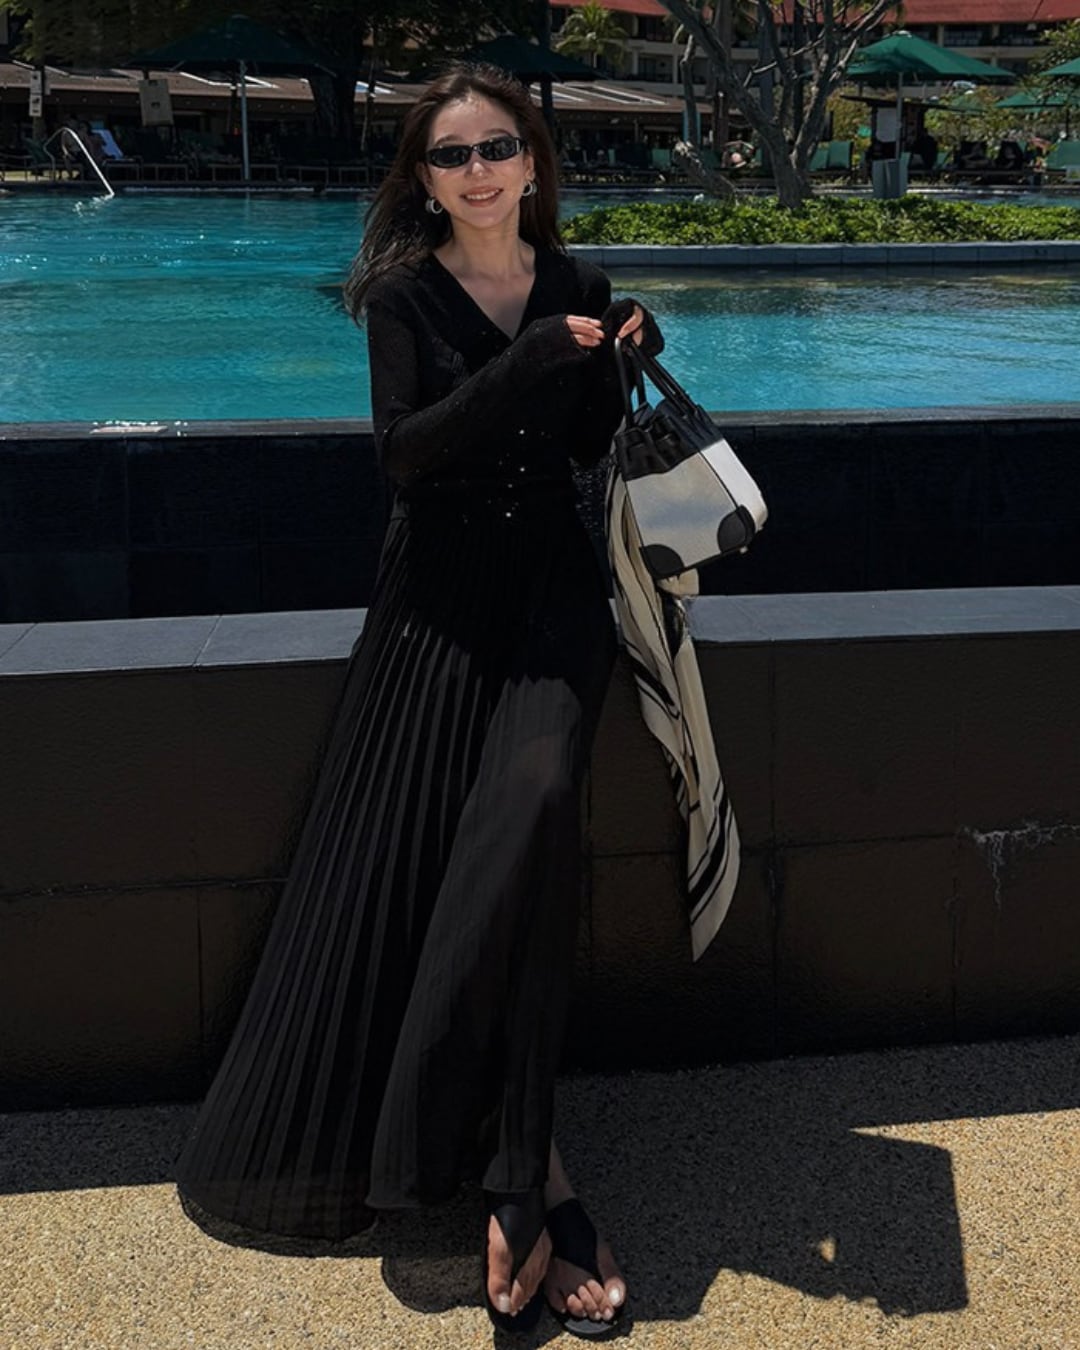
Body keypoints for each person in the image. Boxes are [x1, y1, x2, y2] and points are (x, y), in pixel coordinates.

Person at [173, 61, 662, 1339]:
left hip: (553, 598)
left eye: (499, 147)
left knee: (536, 807)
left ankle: (518, 1173)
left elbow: (586, 450)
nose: (480, 171)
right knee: (467, 865)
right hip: (437, 609)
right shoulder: (402, 295)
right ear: (424, 180)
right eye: (452, 154)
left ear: (534, 161)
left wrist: (616, 358)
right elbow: (404, 455)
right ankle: (531, 1173)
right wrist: (527, 361)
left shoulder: (580, 285)